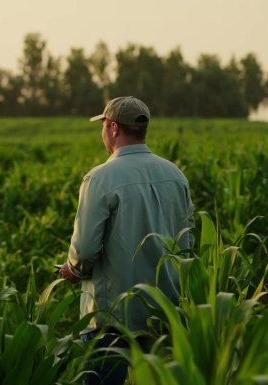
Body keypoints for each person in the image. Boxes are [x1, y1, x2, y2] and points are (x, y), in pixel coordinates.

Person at [58, 96, 194, 385]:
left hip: (112, 318)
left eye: (104, 125)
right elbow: (187, 242)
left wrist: (73, 269)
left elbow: (83, 253)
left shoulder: (100, 178)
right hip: (164, 313)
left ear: (114, 128)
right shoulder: (176, 175)